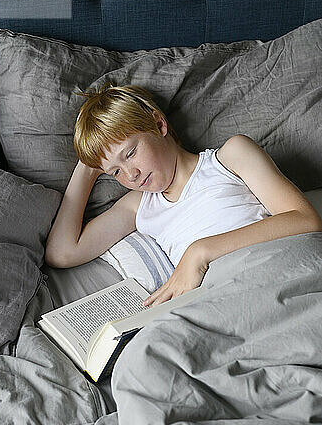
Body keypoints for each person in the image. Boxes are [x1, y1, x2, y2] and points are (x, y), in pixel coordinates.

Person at [45, 84, 322, 307]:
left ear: (159, 125)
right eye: (115, 172)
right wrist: (88, 166)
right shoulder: (137, 206)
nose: (131, 175)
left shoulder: (230, 158)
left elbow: (305, 220)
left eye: (130, 153)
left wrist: (199, 252)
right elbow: (62, 253)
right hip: (215, 303)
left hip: (271, 272)